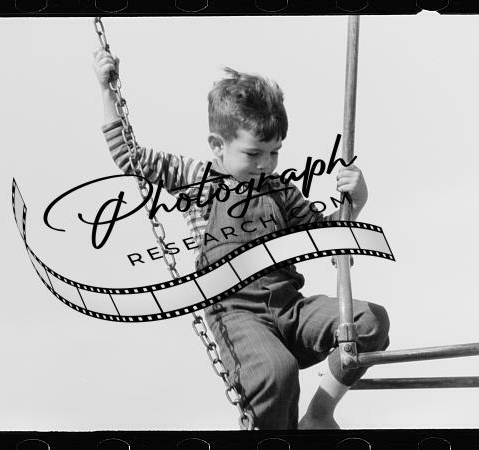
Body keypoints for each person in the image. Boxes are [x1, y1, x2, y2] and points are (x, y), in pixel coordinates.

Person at [93, 48, 390, 430]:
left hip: (289, 308)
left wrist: (356, 202)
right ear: (218, 145)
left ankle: (319, 413)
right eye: (253, 154)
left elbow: (328, 237)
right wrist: (107, 91)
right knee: (276, 373)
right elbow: (129, 156)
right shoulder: (195, 180)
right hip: (237, 316)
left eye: (274, 152)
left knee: (368, 321)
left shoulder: (281, 191)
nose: (266, 164)